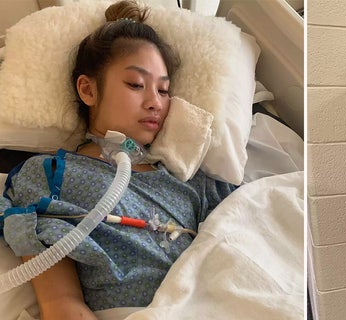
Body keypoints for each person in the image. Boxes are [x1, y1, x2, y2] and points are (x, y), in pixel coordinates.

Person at [0, 1, 235, 319]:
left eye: (164, 90)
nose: (155, 102)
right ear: (88, 90)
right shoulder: (54, 175)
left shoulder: (191, 179)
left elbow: (243, 243)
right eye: (136, 85)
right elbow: (61, 304)